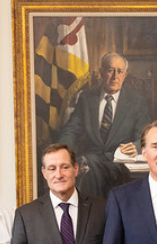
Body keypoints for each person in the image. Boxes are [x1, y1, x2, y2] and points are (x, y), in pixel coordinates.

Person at [58, 53, 150, 199]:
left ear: (125, 75)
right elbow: (71, 129)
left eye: (119, 71)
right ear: (101, 73)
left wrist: (137, 146)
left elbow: (145, 137)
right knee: (86, 168)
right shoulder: (87, 99)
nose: (115, 76)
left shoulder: (136, 102)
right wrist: (60, 152)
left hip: (120, 162)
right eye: (110, 70)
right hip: (91, 161)